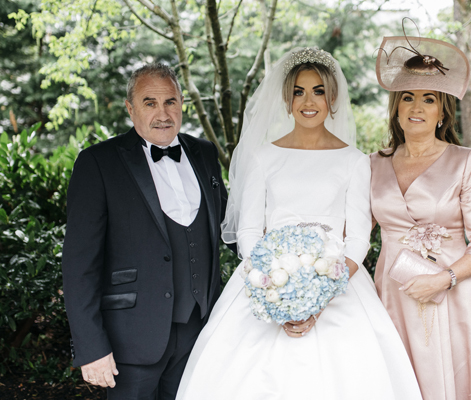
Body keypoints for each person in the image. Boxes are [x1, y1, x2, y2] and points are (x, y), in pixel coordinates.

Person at [175, 48, 422, 400]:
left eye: (318, 91)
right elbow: (249, 231)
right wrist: (271, 281)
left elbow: (357, 238)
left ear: (332, 98)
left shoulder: (354, 161)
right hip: (266, 281)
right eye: (298, 92)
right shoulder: (263, 157)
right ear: (286, 99)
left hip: (338, 284)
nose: (308, 101)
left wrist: (321, 292)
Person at [62, 63, 231, 399]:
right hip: (130, 341)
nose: (162, 114)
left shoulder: (205, 153)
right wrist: (91, 348)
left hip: (199, 335)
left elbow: (231, 228)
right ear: (130, 108)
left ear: (182, 103)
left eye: (170, 102)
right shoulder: (98, 162)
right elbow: (79, 265)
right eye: (150, 103)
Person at [370, 34, 471, 399]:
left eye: (428, 99)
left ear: (442, 112)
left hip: (454, 299)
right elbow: (350, 233)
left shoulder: (465, 162)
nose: (416, 107)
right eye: (407, 97)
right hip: (393, 299)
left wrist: (443, 280)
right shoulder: (372, 165)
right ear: (396, 107)